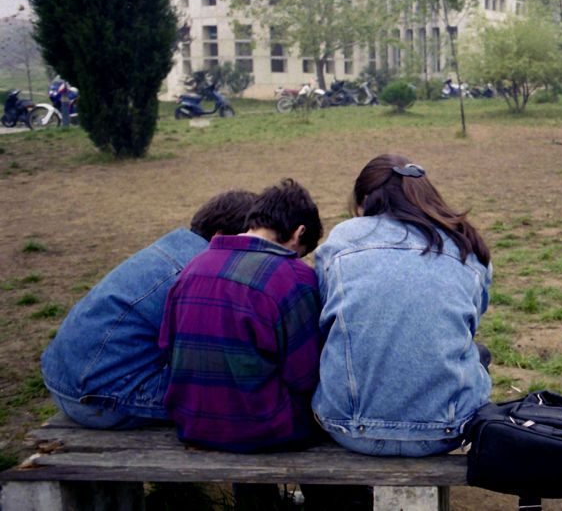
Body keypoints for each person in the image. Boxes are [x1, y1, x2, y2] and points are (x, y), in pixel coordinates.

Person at [313, 154, 493, 457]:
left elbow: (325, 313)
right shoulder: (465, 245)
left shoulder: (343, 239)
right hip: (448, 430)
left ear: (365, 201)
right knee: (478, 353)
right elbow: (473, 319)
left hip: (348, 427)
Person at [41, 189, 257, 429]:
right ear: (221, 236)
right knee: (241, 396)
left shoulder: (171, 249)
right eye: (253, 243)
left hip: (64, 379)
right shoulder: (198, 277)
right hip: (98, 399)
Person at [158, 178, 324, 453]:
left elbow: (166, 347)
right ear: (299, 233)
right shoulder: (295, 278)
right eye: (301, 252)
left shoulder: (193, 267)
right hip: (265, 429)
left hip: (191, 423)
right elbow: (304, 375)